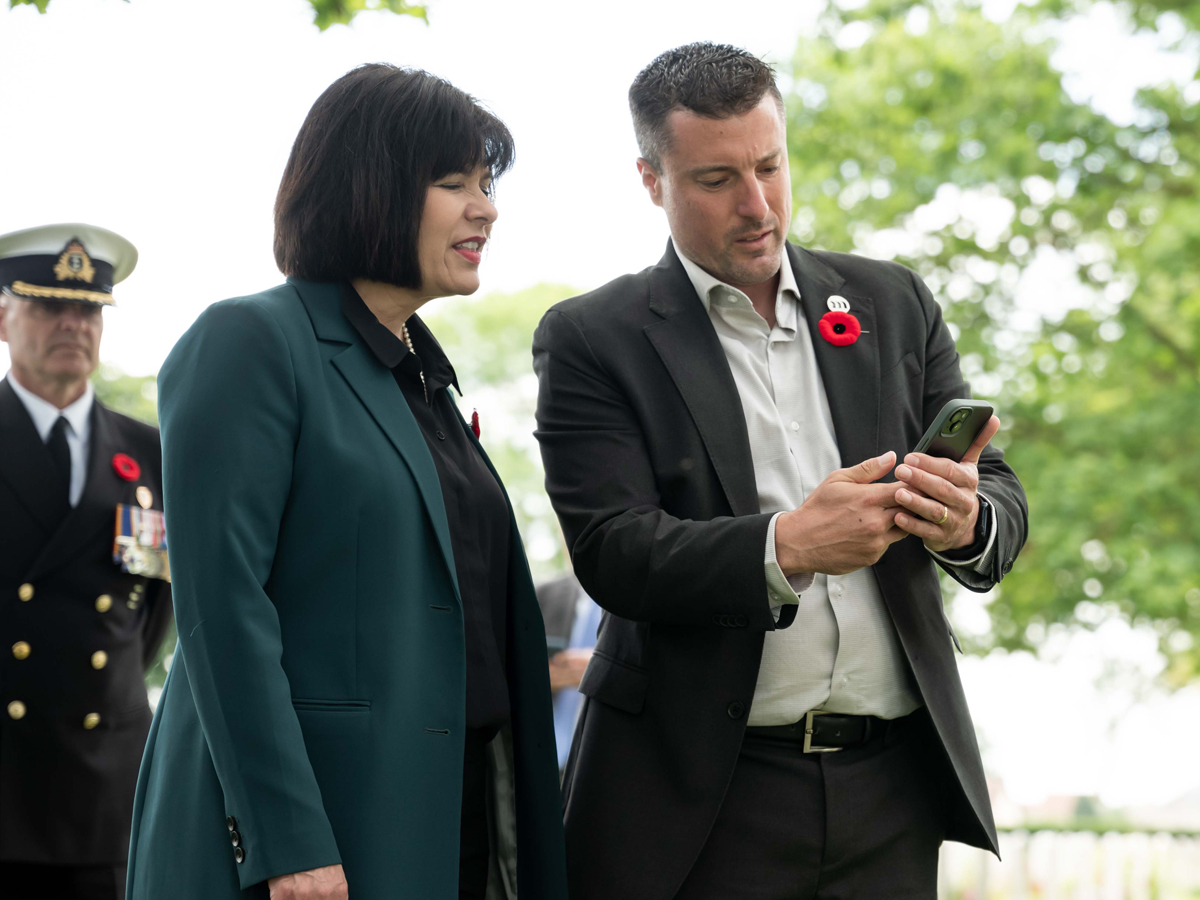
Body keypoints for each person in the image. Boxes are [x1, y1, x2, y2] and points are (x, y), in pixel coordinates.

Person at [532, 43, 1029, 900]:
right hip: (699, 803)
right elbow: (613, 551)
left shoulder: (892, 301)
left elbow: (1001, 494)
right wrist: (788, 545)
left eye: (770, 164)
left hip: (892, 794)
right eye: (717, 179)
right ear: (652, 179)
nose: (758, 205)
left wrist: (966, 521)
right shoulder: (591, 338)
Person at [125, 65, 567, 900]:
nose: (487, 208)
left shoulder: (424, 377)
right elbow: (223, 612)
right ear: (371, 189)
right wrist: (286, 840)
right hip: (314, 838)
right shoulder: (251, 341)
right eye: (454, 182)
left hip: (453, 817)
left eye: (486, 184)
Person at [0, 223, 174, 900]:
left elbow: (151, 615)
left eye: (88, 310)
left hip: (106, 792)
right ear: (6, 318)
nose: (73, 323)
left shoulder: (149, 453)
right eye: (49, 306)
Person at [534, 572, 601, 770]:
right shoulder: (542, 593)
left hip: (610, 762)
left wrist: (603, 669)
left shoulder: (650, 598)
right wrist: (535, 678)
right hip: (545, 758)